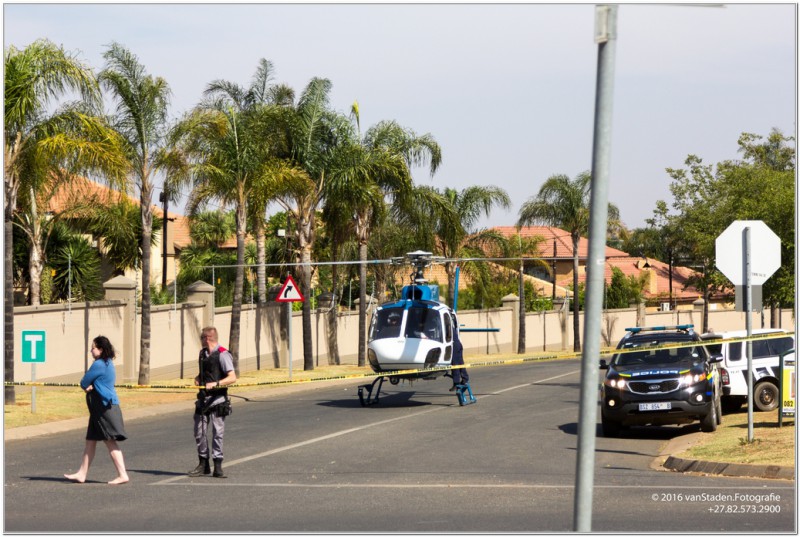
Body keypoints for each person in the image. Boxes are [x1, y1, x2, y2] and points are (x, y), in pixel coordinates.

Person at [64, 336, 129, 485]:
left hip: (104, 408)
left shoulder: (99, 364)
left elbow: (84, 382)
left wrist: (90, 386)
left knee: (109, 440)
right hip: (99, 408)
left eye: (93, 347)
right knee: (90, 441)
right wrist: (93, 386)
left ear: (100, 349)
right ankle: (82, 473)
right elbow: (97, 382)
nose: (91, 350)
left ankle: (122, 474)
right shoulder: (108, 363)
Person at [188, 326, 237, 478]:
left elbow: (232, 377)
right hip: (203, 399)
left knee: (217, 433)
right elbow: (206, 371)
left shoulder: (223, 354)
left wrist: (216, 384)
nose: (201, 341)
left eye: (202, 338)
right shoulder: (203, 354)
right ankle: (203, 464)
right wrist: (198, 378)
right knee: (199, 432)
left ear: (207, 338)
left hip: (218, 400)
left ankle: (217, 465)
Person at [449, 326, 470, 392]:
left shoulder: (446, 325)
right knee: (460, 363)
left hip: (454, 345)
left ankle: (456, 383)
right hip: (458, 344)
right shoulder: (450, 325)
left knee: (455, 365)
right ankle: (465, 379)